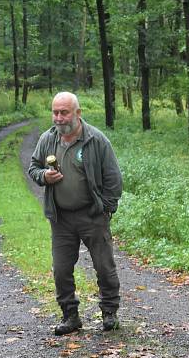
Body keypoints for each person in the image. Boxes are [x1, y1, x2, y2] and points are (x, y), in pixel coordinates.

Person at [28, 92, 122, 336]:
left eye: (64, 112)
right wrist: (43, 177)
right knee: (61, 269)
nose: (59, 118)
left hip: (92, 215)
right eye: (55, 112)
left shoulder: (96, 140)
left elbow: (113, 178)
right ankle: (70, 316)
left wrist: (106, 208)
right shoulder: (48, 139)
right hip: (61, 218)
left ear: (77, 113)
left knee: (104, 266)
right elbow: (33, 167)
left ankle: (109, 313)